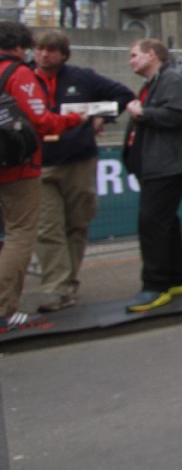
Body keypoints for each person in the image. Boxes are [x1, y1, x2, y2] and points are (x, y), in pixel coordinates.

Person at [29, 30, 135, 312]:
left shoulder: (82, 77)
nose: (44, 55)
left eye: (51, 50)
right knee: (47, 228)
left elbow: (124, 95)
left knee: (77, 224)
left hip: (78, 162)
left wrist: (102, 116)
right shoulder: (24, 78)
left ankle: (68, 282)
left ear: (63, 54)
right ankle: (56, 288)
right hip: (39, 164)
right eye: (39, 49)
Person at [0, 22, 83, 330]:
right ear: (21, 47)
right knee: (20, 234)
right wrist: (73, 119)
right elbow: (41, 120)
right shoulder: (18, 73)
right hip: (16, 168)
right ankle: (5, 310)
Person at [121, 39, 182, 312]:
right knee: (165, 222)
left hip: (168, 165)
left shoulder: (171, 81)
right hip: (158, 165)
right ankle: (176, 279)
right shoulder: (154, 84)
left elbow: (179, 114)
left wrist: (143, 113)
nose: (131, 61)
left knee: (152, 222)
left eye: (135, 55)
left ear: (152, 55)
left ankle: (155, 286)